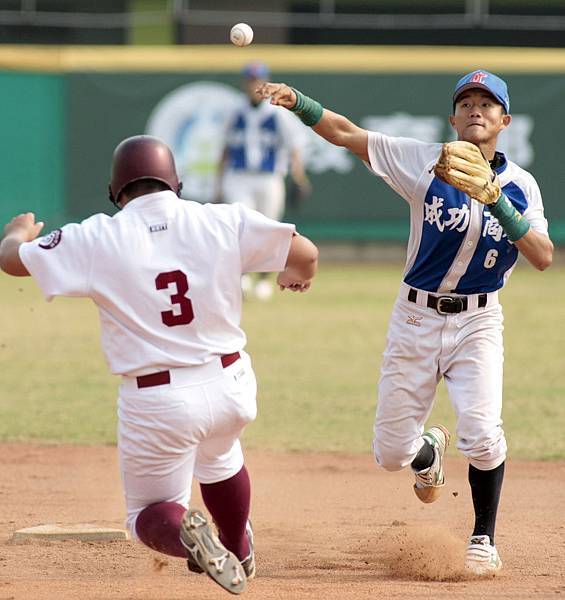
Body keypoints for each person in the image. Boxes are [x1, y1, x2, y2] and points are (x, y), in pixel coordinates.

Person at [257, 70, 553, 576]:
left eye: (487, 104)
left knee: (482, 434)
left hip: (479, 321)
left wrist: (498, 203)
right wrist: (299, 101)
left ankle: (483, 536)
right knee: (392, 454)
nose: (476, 110)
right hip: (415, 317)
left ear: (505, 120)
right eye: (466, 103)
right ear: (453, 118)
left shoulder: (521, 187)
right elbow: (346, 133)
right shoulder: (425, 160)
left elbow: (544, 256)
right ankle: (427, 452)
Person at [0, 135, 318, 594]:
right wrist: (296, 276)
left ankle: (193, 540)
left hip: (158, 398)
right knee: (222, 456)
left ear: (115, 193)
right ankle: (238, 547)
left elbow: (11, 262)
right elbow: (305, 253)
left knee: (148, 514)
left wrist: (17, 232)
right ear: (177, 184)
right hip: (230, 382)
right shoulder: (220, 219)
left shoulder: (96, 235)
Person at [215, 61, 312, 300]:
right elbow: (224, 147)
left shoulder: (277, 111)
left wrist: (299, 176)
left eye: (258, 80)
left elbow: (295, 146)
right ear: (244, 83)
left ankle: (264, 279)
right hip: (238, 176)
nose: (254, 85)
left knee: (269, 229)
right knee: (241, 226)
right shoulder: (234, 109)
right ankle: (243, 276)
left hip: (269, 177)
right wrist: (217, 182)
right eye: (250, 80)